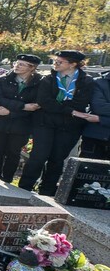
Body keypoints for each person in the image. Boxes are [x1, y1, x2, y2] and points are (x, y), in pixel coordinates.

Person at [19, 50, 96, 195]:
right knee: (38, 155)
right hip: (45, 122)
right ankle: (24, 187)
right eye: (55, 61)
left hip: (69, 126)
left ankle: (46, 191)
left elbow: (81, 102)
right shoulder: (48, 79)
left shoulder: (86, 81)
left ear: (73, 64)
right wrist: (70, 110)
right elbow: (44, 101)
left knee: (57, 158)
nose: (55, 64)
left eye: (60, 62)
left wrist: (64, 108)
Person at [0, 54, 41, 182]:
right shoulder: (2, 80)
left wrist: (12, 112)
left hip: (21, 125)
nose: (17, 66)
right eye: (16, 63)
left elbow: (34, 106)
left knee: (13, 153)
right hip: (0, 121)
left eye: (22, 64)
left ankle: (8, 179)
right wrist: (23, 106)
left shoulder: (39, 83)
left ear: (32, 67)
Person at [80, 69, 110, 159]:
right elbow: (99, 107)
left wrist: (101, 119)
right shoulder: (98, 82)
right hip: (95, 136)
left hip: (98, 124)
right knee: (87, 171)